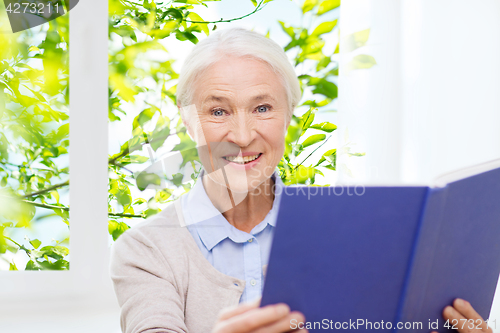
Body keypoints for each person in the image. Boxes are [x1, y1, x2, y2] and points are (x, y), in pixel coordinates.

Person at [109, 28, 492, 333]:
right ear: (187, 119)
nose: (242, 136)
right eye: (218, 111)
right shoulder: (147, 252)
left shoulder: (346, 229)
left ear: (289, 113)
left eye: (263, 108)